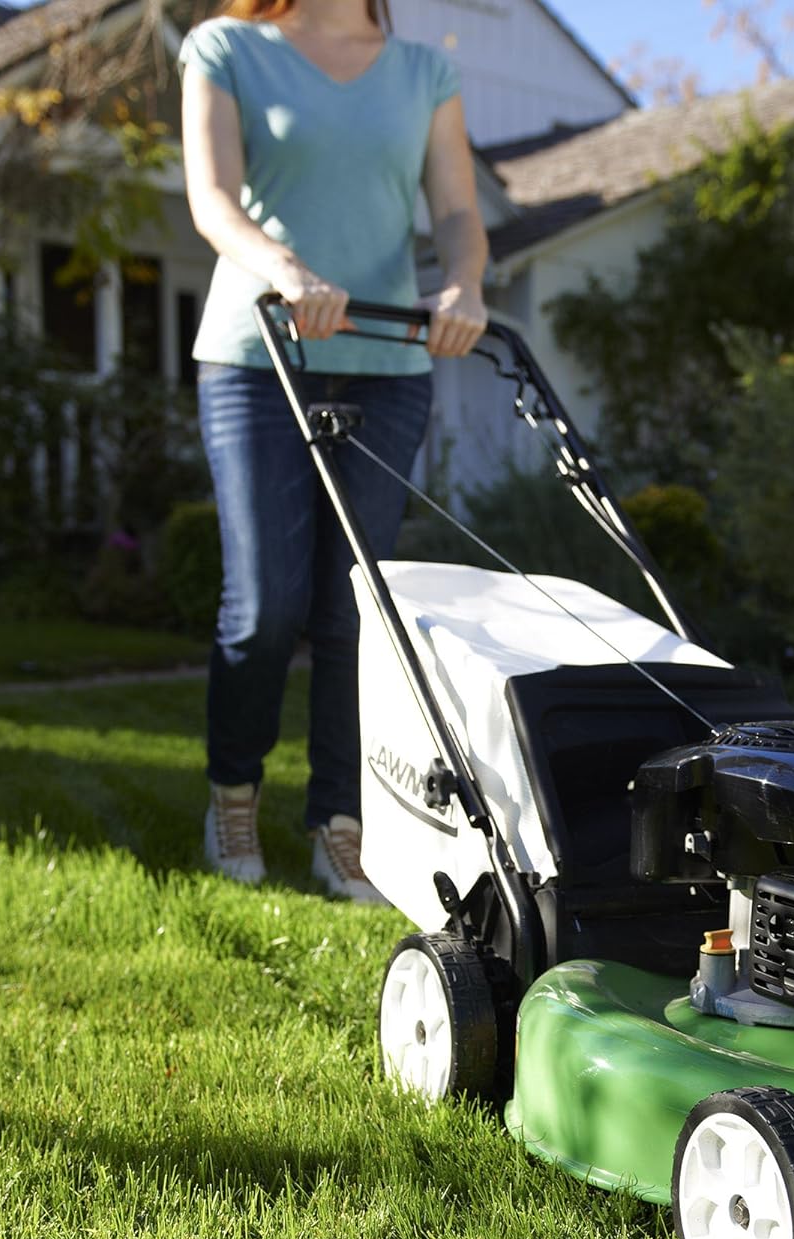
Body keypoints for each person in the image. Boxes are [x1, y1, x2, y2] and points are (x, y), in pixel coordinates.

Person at [179, 0, 487, 898]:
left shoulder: (425, 72)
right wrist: (287, 270)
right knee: (265, 606)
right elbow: (212, 199)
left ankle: (340, 821)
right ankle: (233, 794)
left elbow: (456, 210)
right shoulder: (227, 47)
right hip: (260, 350)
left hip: (386, 366)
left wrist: (463, 284)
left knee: (357, 612)